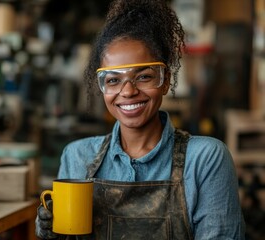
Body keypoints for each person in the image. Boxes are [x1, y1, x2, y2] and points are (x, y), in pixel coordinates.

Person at [35, 0, 246, 239]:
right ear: (102, 87)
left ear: (165, 80)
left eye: (144, 76)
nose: (127, 91)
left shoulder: (205, 159)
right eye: (113, 80)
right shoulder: (78, 157)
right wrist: (51, 230)